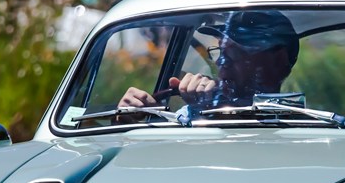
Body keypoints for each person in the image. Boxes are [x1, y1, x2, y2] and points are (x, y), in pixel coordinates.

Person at [119, 10, 299, 110]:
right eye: (221, 52)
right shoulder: (193, 114)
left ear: (277, 62)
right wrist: (130, 117)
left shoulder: (305, 124)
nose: (221, 63)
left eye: (235, 55)